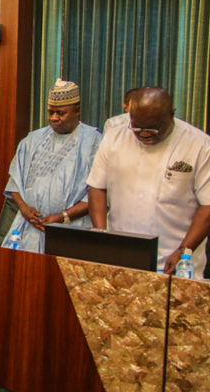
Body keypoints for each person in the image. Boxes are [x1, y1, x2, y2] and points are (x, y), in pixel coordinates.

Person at [88, 86, 210, 275]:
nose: (144, 134)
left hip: (176, 263)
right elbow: (97, 187)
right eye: (137, 127)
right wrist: (101, 235)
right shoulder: (114, 136)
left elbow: (208, 206)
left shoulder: (199, 145)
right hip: (120, 258)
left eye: (153, 128)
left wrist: (184, 250)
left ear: (172, 114)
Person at [1, 79, 102, 252]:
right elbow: (14, 183)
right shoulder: (32, 140)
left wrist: (63, 216)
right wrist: (24, 209)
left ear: (77, 111)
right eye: (51, 112)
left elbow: (97, 193)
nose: (54, 118)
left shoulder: (94, 142)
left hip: (71, 229)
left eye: (61, 113)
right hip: (28, 229)